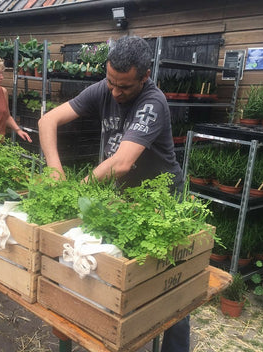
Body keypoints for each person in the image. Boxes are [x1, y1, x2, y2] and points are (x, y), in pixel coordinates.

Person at [38, 35, 188, 352]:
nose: (116, 92)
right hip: (121, 200)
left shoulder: (153, 102)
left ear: (144, 76)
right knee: (116, 273)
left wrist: (78, 189)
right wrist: (54, 168)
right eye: (111, 82)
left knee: (170, 283)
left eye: (125, 87)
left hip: (161, 201)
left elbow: (121, 162)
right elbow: (48, 120)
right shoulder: (105, 88)